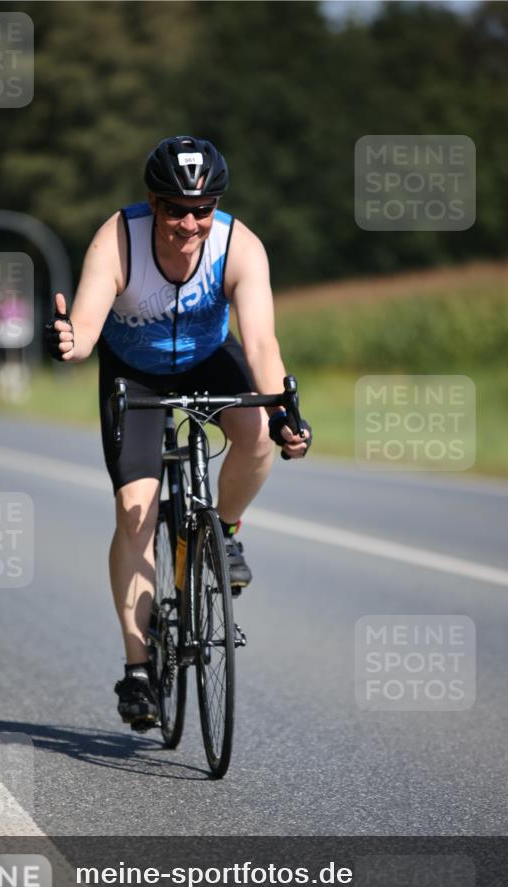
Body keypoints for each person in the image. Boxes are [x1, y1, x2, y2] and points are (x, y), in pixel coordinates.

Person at [46, 135, 311, 729]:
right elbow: (86, 326)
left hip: (208, 356)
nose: (189, 223)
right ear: (152, 202)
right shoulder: (117, 240)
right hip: (133, 374)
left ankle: (226, 529)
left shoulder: (238, 246)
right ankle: (138, 668)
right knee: (136, 510)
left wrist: (282, 415)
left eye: (202, 209)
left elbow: (262, 342)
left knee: (257, 435)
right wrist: (70, 341)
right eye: (174, 209)